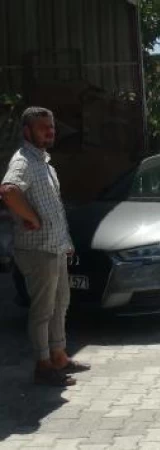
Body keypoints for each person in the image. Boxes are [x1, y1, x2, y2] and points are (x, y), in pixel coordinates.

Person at [0, 107, 90, 386]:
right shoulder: (24, 161)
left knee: (61, 303)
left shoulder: (44, 163)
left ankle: (59, 356)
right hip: (37, 251)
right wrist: (31, 218)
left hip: (55, 248)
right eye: (43, 128)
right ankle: (43, 365)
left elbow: (55, 209)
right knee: (43, 310)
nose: (50, 131)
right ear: (27, 131)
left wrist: (66, 243)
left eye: (51, 127)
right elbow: (8, 190)